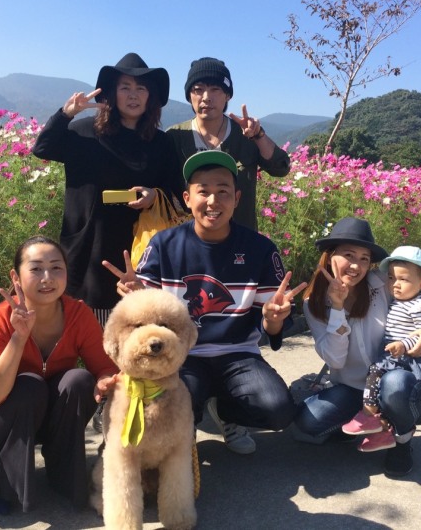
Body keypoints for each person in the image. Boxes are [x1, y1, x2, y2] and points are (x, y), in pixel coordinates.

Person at [103, 150, 306, 454]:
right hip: (182, 353)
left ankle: (226, 413)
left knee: (278, 410)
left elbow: (272, 325)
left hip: (239, 353)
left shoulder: (260, 249)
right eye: (203, 191)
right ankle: (187, 425)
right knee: (173, 405)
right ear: (187, 198)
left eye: (223, 192)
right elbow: (146, 310)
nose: (213, 201)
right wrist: (136, 295)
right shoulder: (164, 244)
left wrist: (273, 319)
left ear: (237, 199)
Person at [31, 52, 185, 327]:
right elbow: (42, 148)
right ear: (112, 93)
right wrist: (66, 114)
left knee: (135, 326)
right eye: (125, 87)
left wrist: (154, 195)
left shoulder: (161, 143)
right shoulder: (85, 132)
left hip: (138, 247)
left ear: (151, 96)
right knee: (87, 328)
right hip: (88, 245)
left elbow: (179, 194)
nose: (133, 95)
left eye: (141, 88)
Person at [292, 217, 421, 477]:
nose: (356, 266)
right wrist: (337, 309)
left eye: (364, 258)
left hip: (400, 384)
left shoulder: (381, 284)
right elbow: (335, 359)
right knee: (309, 422)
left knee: (394, 384)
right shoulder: (315, 303)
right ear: (330, 255)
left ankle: (401, 441)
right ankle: (365, 422)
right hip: (353, 388)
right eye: (348, 255)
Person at [0, 236, 119, 513]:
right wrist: (18, 337)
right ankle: (1, 483)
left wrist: (104, 381)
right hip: (4, 418)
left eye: (56, 268)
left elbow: (104, 366)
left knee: (78, 381)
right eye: (36, 269)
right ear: (15, 276)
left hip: (52, 417)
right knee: (29, 386)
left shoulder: (78, 314)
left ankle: (64, 475)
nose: (47, 278)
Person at [341, 245, 421, 452]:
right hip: (391, 355)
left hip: (408, 359)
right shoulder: (395, 300)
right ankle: (376, 423)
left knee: (391, 382)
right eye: (391, 278)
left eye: (403, 279)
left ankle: (393, 433)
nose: (395, 284)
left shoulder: (419, 306)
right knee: (375, 375)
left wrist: (405, 344)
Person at [166, 57, 291, 231]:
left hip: (241, 238)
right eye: (198, 90)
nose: (206, 98)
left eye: (215, 89)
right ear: (189, 96)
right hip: (190, 238)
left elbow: (281, 168)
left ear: (227, 95)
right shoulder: (175, 136)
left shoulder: (245, 135)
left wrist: (258, 135)